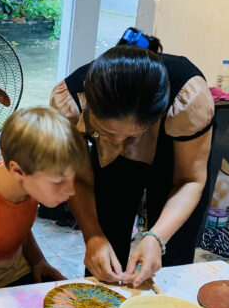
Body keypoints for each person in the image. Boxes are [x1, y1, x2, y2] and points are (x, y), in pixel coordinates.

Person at [51, 35, 214, 287]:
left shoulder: (187, 97)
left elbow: (190, 180)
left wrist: (156, 238)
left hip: (175, 158)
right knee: (105, 251)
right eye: (108, 131)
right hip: (111, 163)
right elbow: (80, 179)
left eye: (131, 134)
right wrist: (92, 236)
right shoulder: (72, 101)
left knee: (171, 255)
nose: (119, 140)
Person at [0, 107, 87, 292]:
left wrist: (38, 260)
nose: (71, 190)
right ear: (18, 171)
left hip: (17, 274)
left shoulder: (26, 182)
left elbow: (18, 226)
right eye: (58, 182)